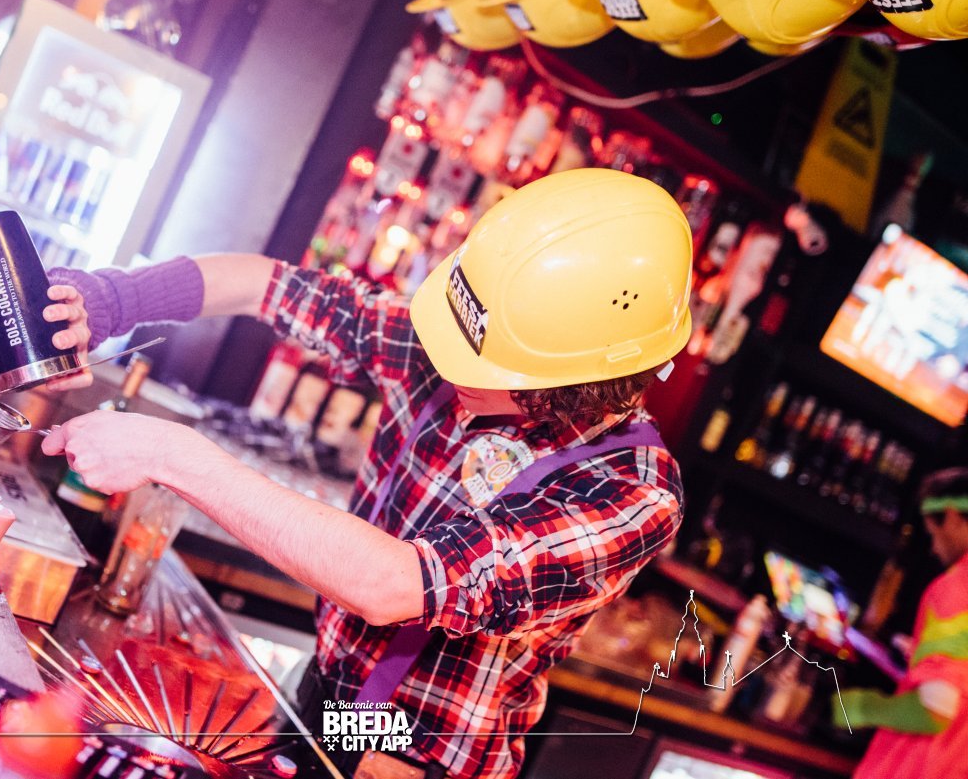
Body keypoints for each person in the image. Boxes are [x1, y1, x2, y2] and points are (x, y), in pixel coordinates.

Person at [39, 169, 693, 779]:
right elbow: (265, 285)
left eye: (485, 365)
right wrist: (112, 299)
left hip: (422, 760)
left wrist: (172, 455)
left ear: (577, 385)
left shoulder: (632, 493)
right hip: (333, 701)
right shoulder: (441, 345)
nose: (452, 365)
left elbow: (393, 583)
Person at [841, 467, 968, 778]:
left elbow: (936, 709)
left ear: (952, 516)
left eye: (933, 534)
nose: (934, 548)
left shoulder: (956, 588)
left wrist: (862, 707)